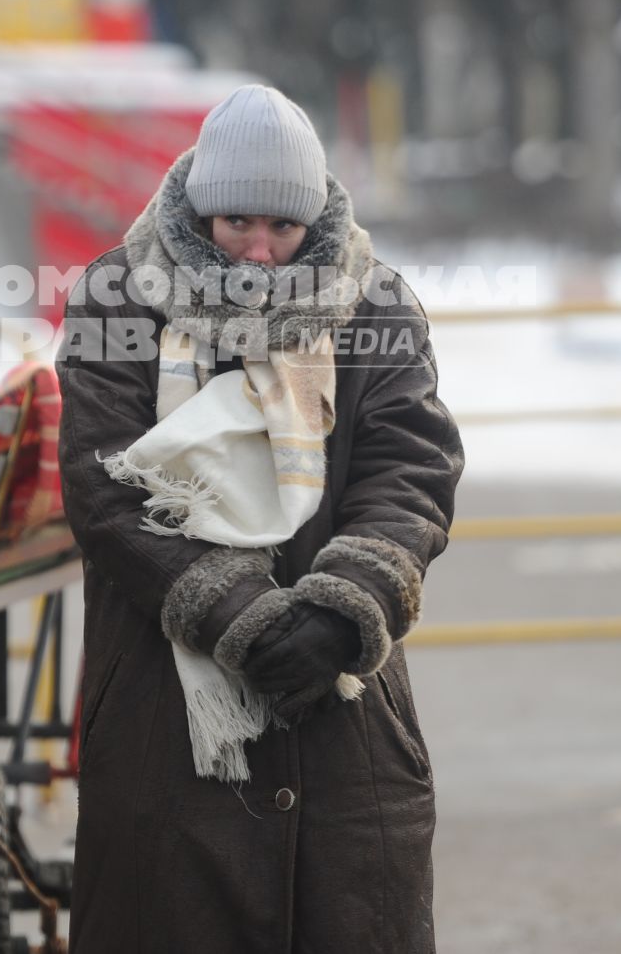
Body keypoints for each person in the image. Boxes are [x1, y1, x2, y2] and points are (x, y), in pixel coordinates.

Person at [57, 84, 464, 952]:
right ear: (199, 208)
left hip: (348, 723)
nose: (259, 251)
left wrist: (339, 610)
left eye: (282, 228)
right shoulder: (117, 300)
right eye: (237, 221)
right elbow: (106, 486)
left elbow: (411, 468)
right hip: (164, 724)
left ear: (313, 220)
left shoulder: (376, 305)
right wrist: (239, 616)